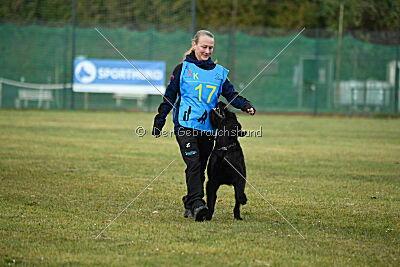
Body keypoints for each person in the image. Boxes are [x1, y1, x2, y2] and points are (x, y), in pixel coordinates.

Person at [152, 30, 255, 222]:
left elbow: (230, 95)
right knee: (193, 163)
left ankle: (189, 201)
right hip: (185, 125)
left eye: (210, 48)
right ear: (194, 45)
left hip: (208, 130)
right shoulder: (181, 69)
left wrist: (246, 105)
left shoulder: (219, 73)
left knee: (200, 168)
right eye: (204, 47)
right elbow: (169, 97)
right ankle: (198, 203)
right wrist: (159, 121)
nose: (207, 51)